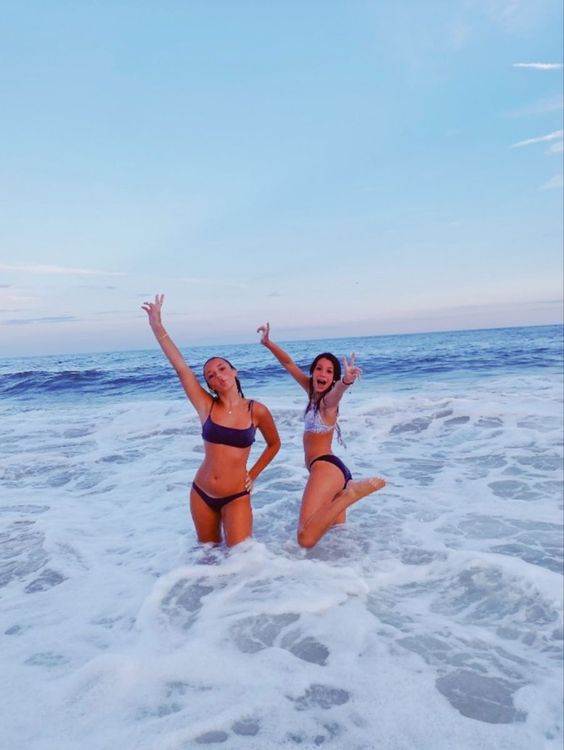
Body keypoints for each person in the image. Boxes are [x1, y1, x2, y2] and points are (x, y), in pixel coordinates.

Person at [143, 295, 280, 547]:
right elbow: (182, 368)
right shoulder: (207, 406)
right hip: (201, 494)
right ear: (210, 385)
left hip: (237, 495)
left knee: (241, 560)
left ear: (234, 371)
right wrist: (157, 326)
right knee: (207, 560)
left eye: (222, 368)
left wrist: (253, 474)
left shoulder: (256, 410)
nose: (217, 375)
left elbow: (274, 444)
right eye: (211, 375)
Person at [257, 322, 385, 548]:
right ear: (313, 372)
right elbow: (288, 363)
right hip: (335, 472)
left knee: (305, 538)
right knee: (337, 542)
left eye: (329, 371)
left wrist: (346, 381)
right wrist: (268, 343)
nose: (322, 373)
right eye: (319, 368)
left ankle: (350, 493)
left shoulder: (328, 403)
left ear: (334, 378)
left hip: (325, 468)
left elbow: (338, 393)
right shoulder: (311, 391)